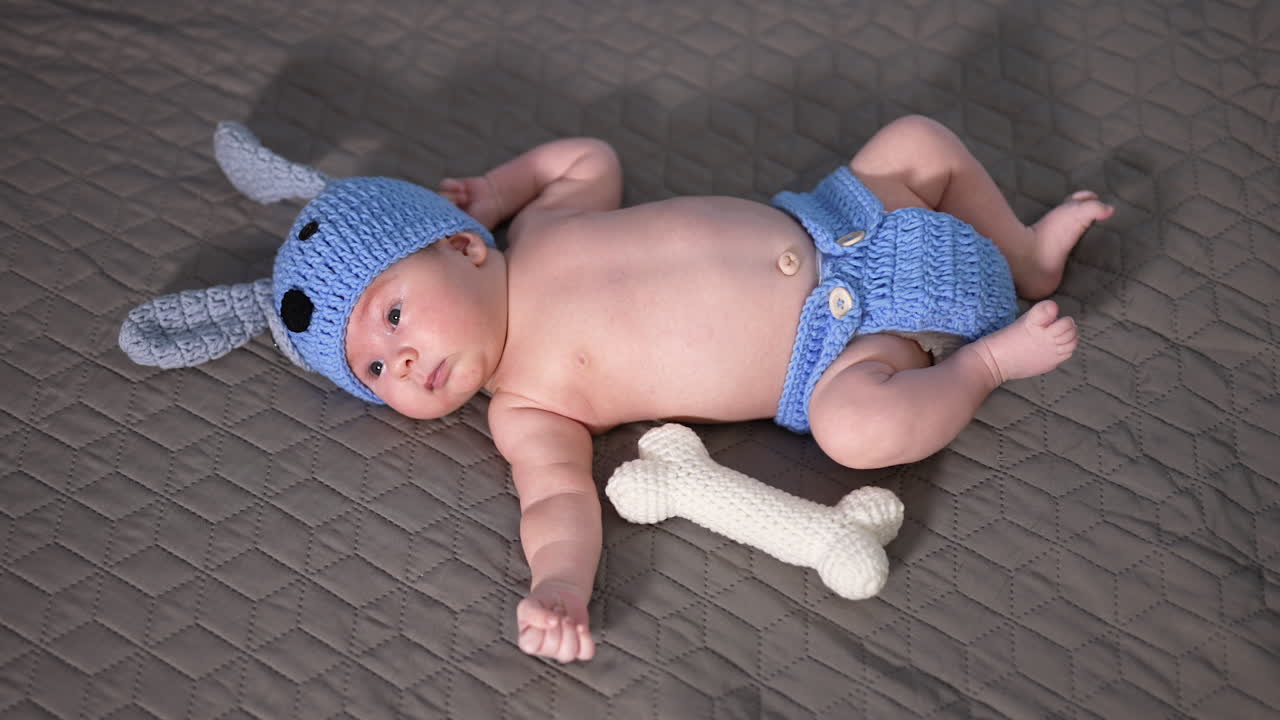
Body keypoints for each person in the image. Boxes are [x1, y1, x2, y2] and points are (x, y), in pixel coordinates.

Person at [287, 115, 1115, 663]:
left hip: (845, 221)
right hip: (838, 353)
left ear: (463, 248)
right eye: (370, 370)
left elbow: (587, 157)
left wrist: (495, 191)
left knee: (917, 140)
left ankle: (1026, 256)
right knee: (857, 436)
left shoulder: (544, 224)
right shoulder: (528, 405)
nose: (397, 361)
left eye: (391, 314)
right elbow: (554, 504)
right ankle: (990, 365)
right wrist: (560, 587)